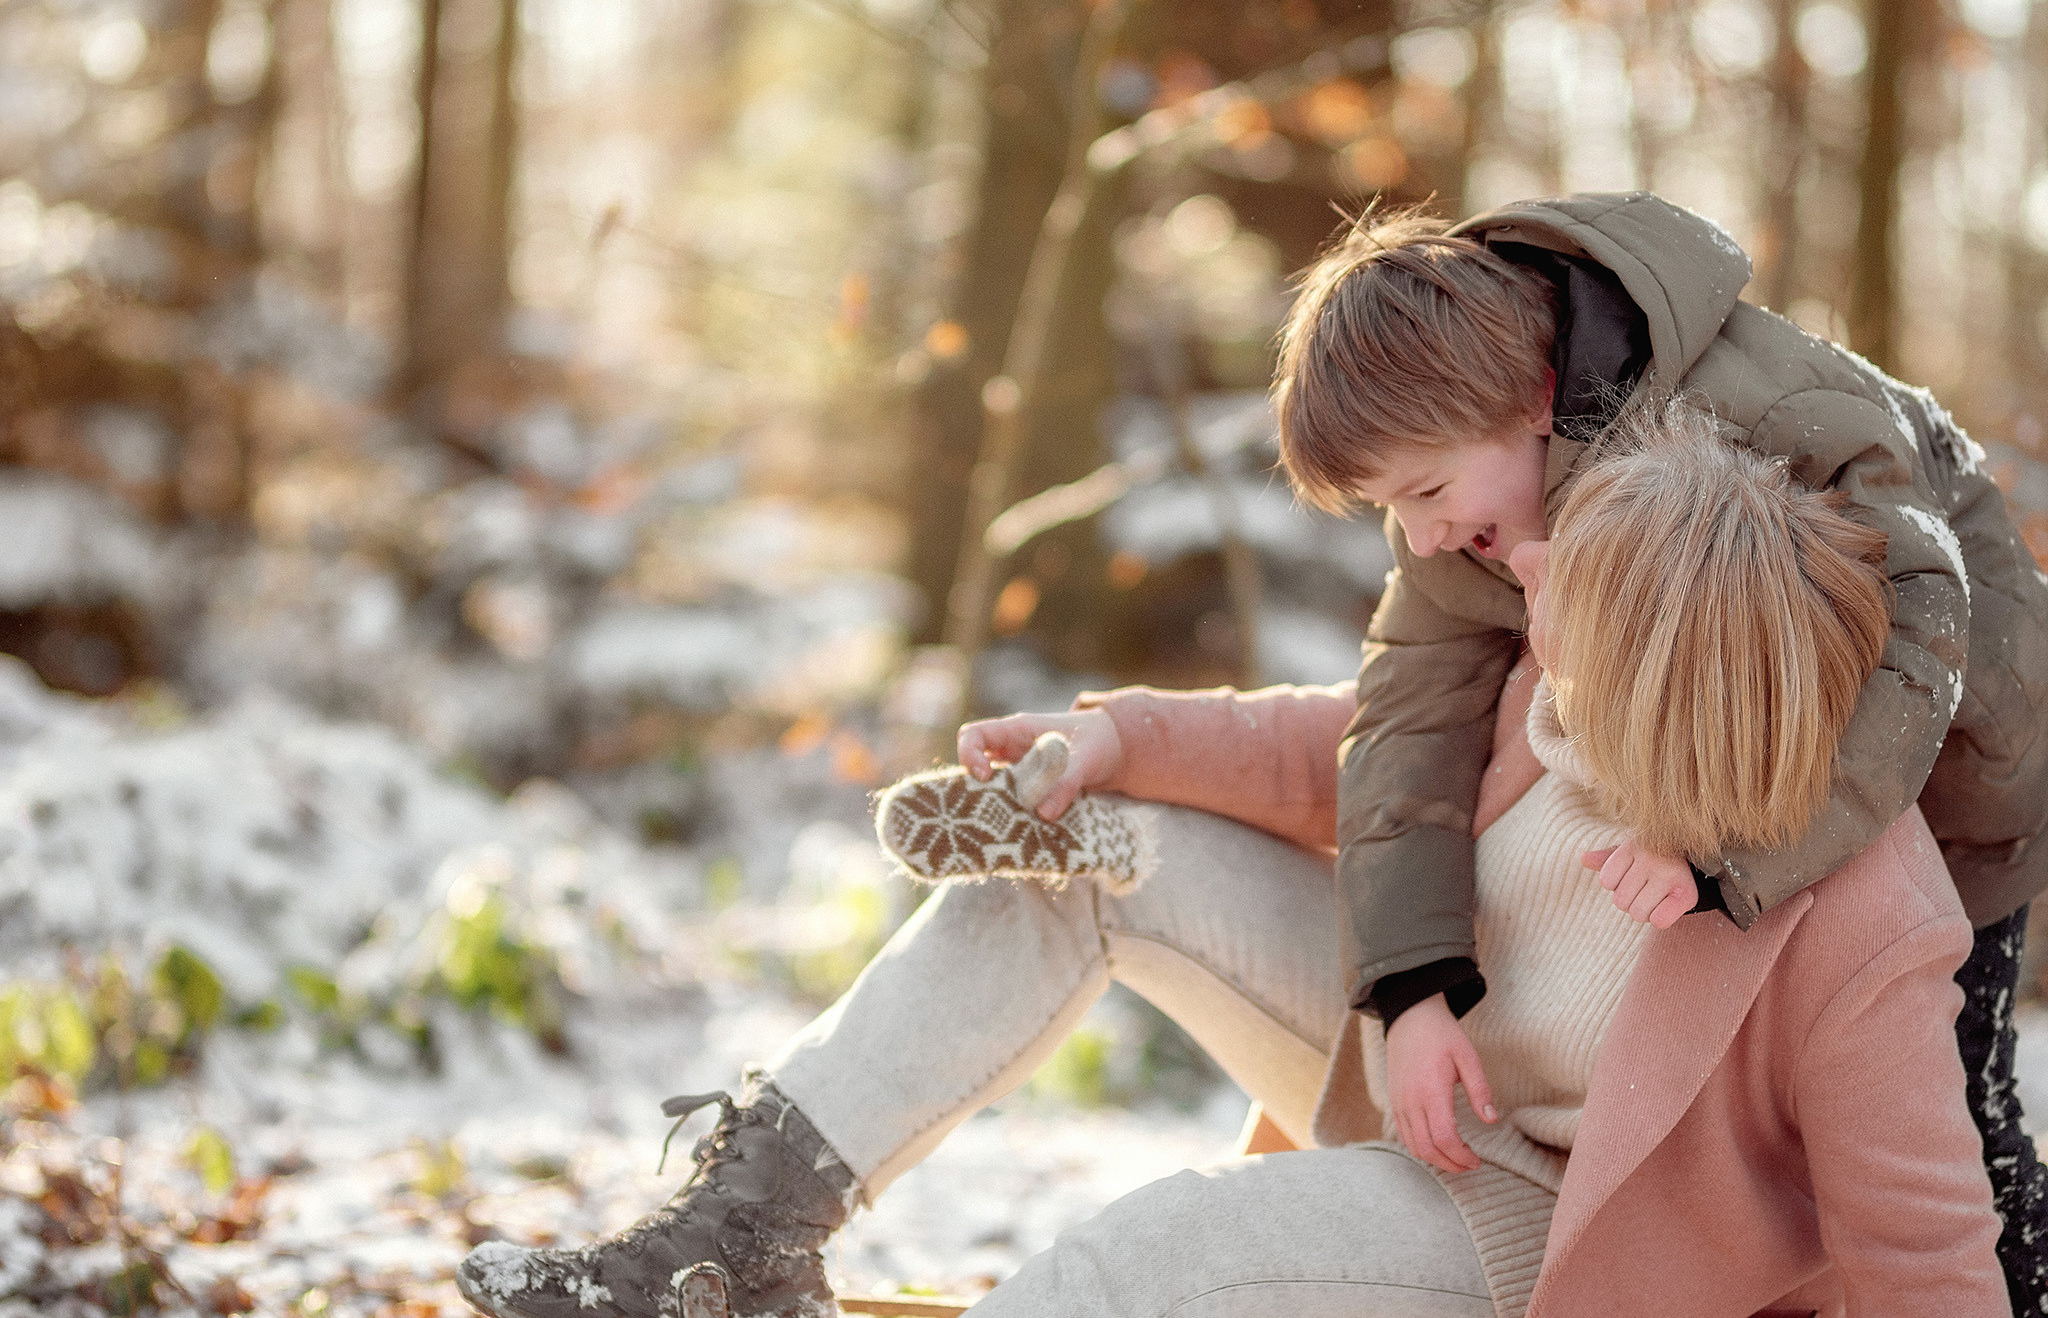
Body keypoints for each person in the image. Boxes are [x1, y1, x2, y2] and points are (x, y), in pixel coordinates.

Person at [453, 410, 2008, 1318]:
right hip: (1419, 1061)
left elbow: (1929, 1259)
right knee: (1093, 848)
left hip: (1539, 1219)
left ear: (1672, 660)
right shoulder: (1555, 691)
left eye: (1564, 574)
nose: (1514, 564)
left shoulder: (1860, 918)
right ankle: (730, 1248)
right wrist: (1116, 740)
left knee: (1140, 1258)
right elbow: (1337, 752)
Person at [1275, 193, 2048, 1307]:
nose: (1421, 535)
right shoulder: (1467, 506)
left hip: (1951, 763)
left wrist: (1732, 855)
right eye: (1388, 508)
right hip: (1744, 773)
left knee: (1945, 1132)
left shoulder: (1760, 413)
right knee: (1793, 1110)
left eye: (1427, 492)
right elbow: (1404, 722)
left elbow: (1924, 632)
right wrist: (1408, 991)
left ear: (1534, 397)